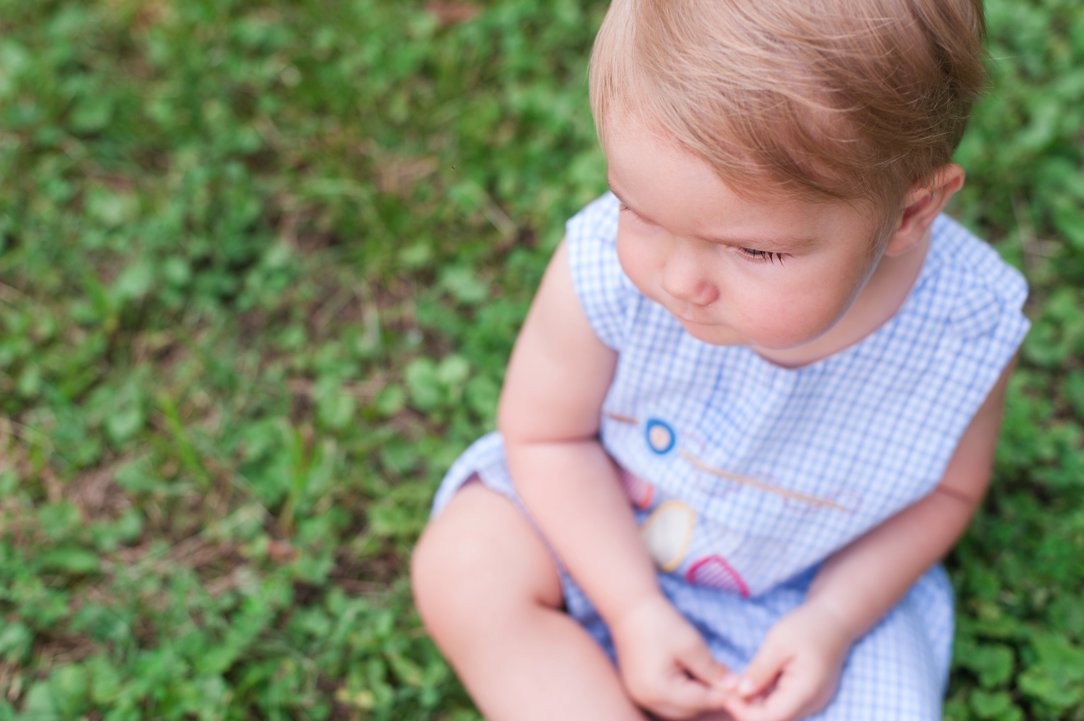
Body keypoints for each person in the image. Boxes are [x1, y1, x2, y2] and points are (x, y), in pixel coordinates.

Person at [411, 0, 1029, 719]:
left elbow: (946, 494)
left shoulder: (965, 326)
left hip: (814, 589)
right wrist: (633, 606)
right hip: (599, 529)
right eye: (637, 209)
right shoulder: (603, 270)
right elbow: (546, 437)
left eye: (755, 249)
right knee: (469, 563)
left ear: (911, 212)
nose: (679, 279)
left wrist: (831, 621)